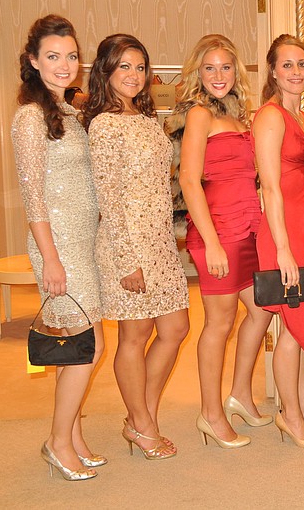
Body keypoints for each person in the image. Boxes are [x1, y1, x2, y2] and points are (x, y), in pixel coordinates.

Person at [83, 34, 190, 460]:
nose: (133, 75)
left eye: (140, 67)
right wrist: (128, 259)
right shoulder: (105, 124)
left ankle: (137, 416)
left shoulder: (145, 119)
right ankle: (143, 424)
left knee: (176, 328)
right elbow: (109, 196)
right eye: (124, 66)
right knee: (136, 333)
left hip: (159, 240)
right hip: (127, 243)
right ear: (106, 71)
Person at [11, 14, 105, 481]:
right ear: (33, 61)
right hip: (58, 245)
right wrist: (49, 258)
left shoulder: (68, 110)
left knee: (81, 348)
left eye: (70, 56)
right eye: (53, 56)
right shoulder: (30, 117)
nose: (64, 64)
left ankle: (73, 436)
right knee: (85, 349)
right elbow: (33, 194)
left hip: (85, 242)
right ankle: (57, 441)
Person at [172, 34, 273, 449]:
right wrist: (211, 243)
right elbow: (188, 179)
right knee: (218, 323)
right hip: (218, 231)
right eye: (209, 67)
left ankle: (240, 394)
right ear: (198, 72)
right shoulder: (199, 114)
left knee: (263, 310)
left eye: (225, 67)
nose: (218, 75)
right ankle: (210, 414)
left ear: (237, 71)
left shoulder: (240, 115)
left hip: (248, 227)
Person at [252, 34, 304, 448]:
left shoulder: (301, 116)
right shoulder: (269, 116)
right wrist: (283, 248)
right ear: (273, 70)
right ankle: (290, 416)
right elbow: (270, 188)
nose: (296, 72)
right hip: (285, 232)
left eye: (302, 64)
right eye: (287, 65)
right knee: (292, 326)